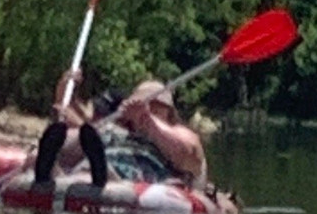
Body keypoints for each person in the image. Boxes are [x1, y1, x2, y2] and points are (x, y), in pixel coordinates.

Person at [34, 72, 208, 191]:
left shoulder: (178, 132)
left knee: (100, 163)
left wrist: (147, 121)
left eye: (156, 106)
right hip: (95, 163)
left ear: (169, 112)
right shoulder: (117, 129)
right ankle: (52, 169)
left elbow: (189, 153)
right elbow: (81, 130)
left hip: (136, 174)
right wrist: (63, 96)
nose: (148, 108)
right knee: (84, 141)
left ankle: (101, 176)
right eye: (143, 103)